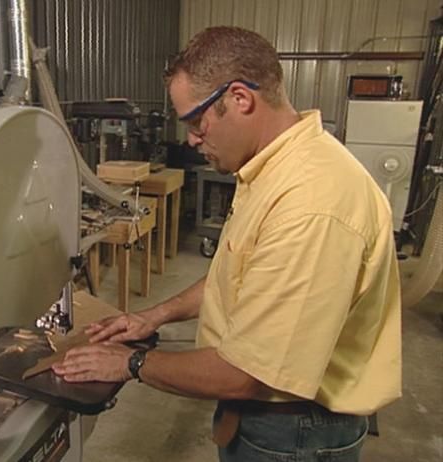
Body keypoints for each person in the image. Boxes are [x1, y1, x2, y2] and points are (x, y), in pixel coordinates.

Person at [52, 26, 401, 461]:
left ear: (240, 98)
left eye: (196, 122)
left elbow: (247, 374)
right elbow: (233, 276)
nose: (192, 140)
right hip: (268, 419)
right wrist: (155, 316)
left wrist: (128, 363)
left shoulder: (311, 203)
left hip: (295, 432)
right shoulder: (270, 169)